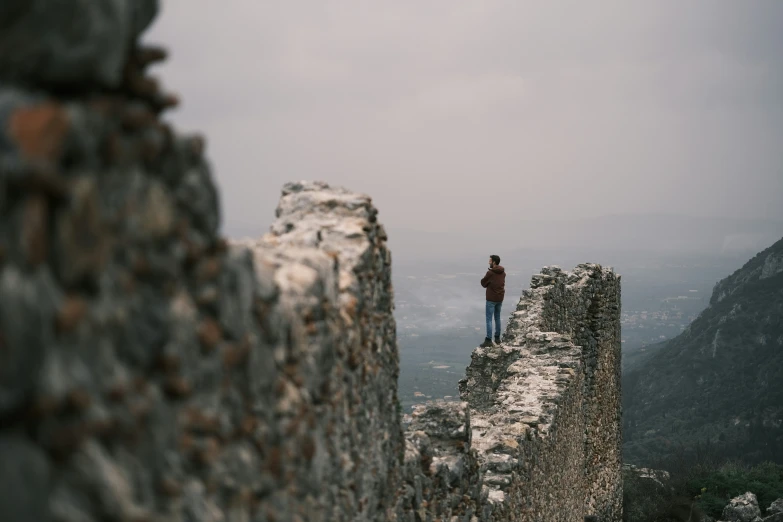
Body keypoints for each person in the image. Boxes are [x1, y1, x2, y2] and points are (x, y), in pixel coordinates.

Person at [480, 254, 505, 347]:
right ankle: (497, 338)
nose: (488, 262)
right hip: (500, 298)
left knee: (489, 319)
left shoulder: (490, 273)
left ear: (494, 262)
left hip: (491, 299)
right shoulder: (503, 273)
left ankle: (488, 339)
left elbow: (483, 283)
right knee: (497, 317)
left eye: (490, 261)